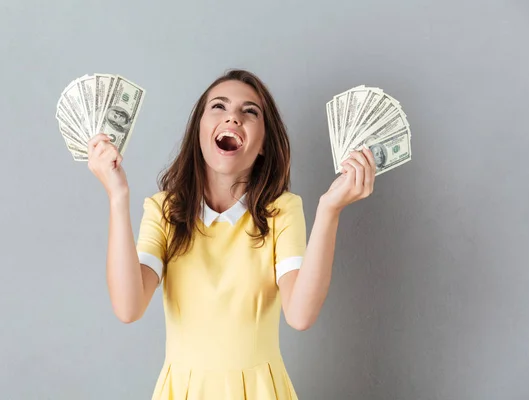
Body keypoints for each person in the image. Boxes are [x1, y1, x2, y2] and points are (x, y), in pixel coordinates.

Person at [87, 69, 377, 399]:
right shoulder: (164, 210)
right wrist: (117, 197)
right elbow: (128, 307)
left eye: (249, 111)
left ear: (265, 143)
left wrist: (329, 211)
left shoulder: (281, 210)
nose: (233, 118)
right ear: (199, 131)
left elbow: (300, 314)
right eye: (219, 107)